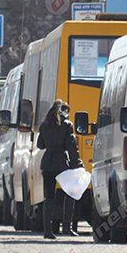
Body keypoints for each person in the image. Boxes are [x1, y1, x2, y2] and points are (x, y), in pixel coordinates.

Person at [37, 100, 83, 239]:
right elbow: (71, 147)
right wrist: (77, 163)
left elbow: (40, 145)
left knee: (49, 197)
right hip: (62, 163)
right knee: (70, 193)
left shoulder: (44, 125)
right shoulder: (67, 125)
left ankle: (47, 231)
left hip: (47, 163)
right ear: (64, 112)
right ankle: (67, 228)